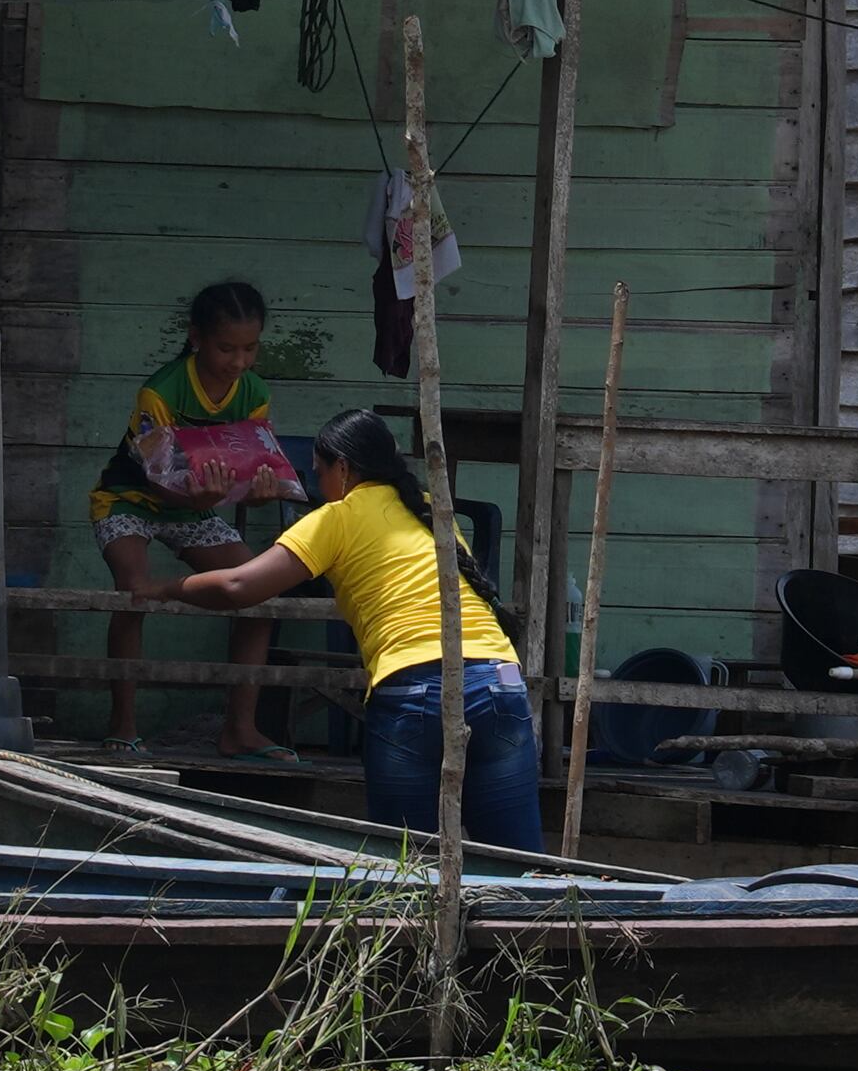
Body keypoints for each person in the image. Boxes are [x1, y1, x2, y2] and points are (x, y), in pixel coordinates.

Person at [168, 406, 542, 852]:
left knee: (407, 869)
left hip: (414, 691)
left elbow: (238, 585)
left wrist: (164, 587)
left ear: (342, 468)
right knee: (520, 867)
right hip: (502, 686)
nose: (318, 488)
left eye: (318, 474)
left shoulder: (337, 518)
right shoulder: (428, 509)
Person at [91, 281, 299, 760]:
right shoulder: (160, 392)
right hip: (129, 499)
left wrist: (261, 495)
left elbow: (249, 470)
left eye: (250, 348)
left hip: (194, 508)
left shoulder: (255, 393)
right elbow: (158, 479)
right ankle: (122, 726)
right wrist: (204, 495)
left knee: (257, 593)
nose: (239, 362)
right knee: (133, 589)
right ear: (196, 337)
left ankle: (240, 729)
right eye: (227, 348)